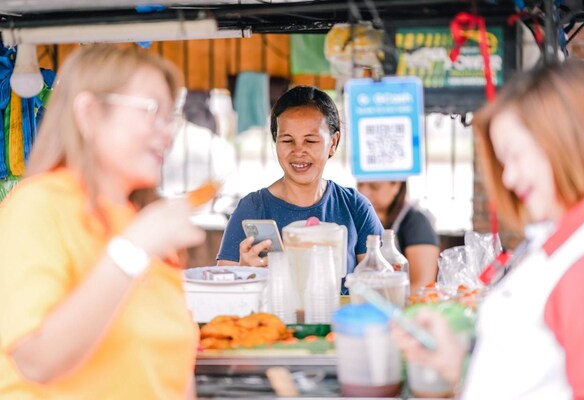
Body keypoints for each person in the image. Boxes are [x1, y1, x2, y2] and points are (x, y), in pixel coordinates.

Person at [0, 45, 205, 399]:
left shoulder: (141, 221)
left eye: (170, 115)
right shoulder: (37, 207)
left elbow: (171, 372)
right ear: (89, 113)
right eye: (151, 110)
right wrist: (132, 251)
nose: (167, 133)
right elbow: (35, 360)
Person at [392, 59, 584, 399]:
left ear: (567, 141)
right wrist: (454, 360)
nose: (508, 178)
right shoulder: (559, 241)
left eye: (516, 155)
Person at [217, 86, 383, 279]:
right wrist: (244, 272)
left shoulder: (355, 207)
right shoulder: (252, 209)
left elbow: (379, 286)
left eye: (310, 141)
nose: (298, 151)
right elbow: (224, 285)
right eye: (287, 140)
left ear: (333, 143)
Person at [357, 180, 440, 292]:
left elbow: (422, 284)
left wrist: (384, 302)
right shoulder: (360, 219)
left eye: (374, 186)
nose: (364, 191)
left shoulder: (416, 222)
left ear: (396, 185)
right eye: (360, 184)